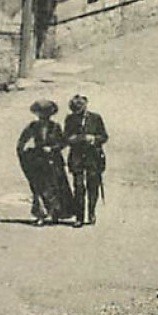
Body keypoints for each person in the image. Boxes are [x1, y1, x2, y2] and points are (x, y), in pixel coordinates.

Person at [16, 99, 74, 224]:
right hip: (38, 160)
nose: (43, 116)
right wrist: (24, 152)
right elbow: (22, 141)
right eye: (41, 113)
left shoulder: (55, 127)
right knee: (38, 187)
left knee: (55, 187)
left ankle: (55, 213)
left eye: (46, 113)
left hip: (54, 160)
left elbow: (63, 142)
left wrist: (52, 149)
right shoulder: (32, 126)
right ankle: (40, 215)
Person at [63, 94, 108, 226]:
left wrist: (93, 138)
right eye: (75, 108)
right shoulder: (70, 119)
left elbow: (104, 136)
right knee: (78, 187)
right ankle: (79, 217)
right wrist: (75, 139)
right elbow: (66, 137)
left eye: (80, 107)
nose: (78, 110)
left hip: (93, 157)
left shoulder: (95, 118)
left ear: (85, 105)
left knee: (93, 186)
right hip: (77, 157)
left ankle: (92, 213)